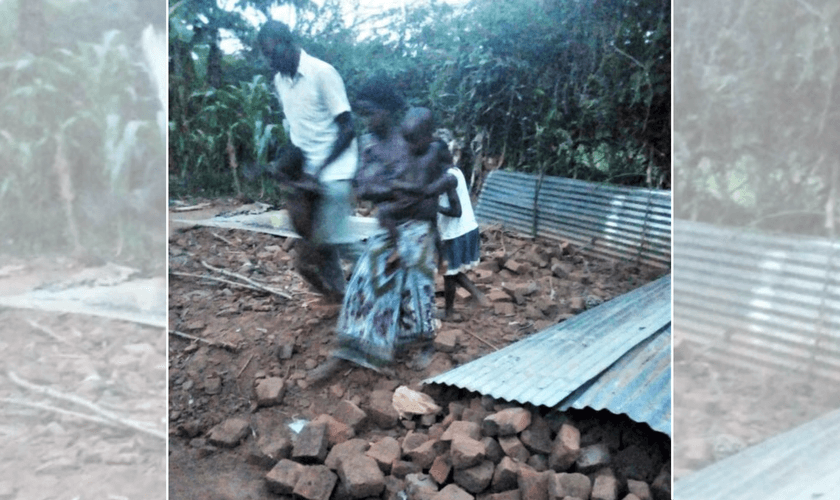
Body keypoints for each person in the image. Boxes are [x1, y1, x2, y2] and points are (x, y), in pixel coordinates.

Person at [309, 81, 450, 378]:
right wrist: (394, 189)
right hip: (389, 221)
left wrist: (392, 189)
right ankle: (349, 349)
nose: (367, 120)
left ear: (387, 111)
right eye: (363, 115)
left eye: (371, 113)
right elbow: (362, 188)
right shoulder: (369, 143)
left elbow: (430, 187)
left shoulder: (412, 137)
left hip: (418, 223)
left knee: (415, 281)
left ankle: (423, 344)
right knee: (364, 278)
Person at [257, 20, 359, 303]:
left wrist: (323, 170)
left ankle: (382, 280)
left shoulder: (322, 73)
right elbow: (297, 133)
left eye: (274, 53)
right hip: (308, 173)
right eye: (267, 56)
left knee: (336, 239)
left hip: (336, 170)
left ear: (289, 44)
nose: (271, 61)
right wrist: (282, 168)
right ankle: (344, 301)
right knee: (318, 247)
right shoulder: (280, 81)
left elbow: (348, 128)